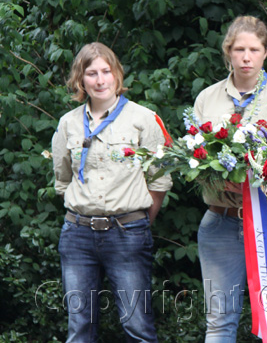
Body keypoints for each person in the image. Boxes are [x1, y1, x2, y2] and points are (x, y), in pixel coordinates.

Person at [52, 42, 172, 342]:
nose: (100, 80)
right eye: (91, 73)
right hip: (78, 235)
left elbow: (158, 180)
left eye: (106, 71)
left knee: (137, 326)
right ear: (81, 80)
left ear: (117, 75)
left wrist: (140, 220)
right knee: (80, 328)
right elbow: (63, 179)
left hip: (127, 232)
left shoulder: (143, 119)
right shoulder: (68, 124)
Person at [193, 16, 267, 343]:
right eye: (239, 49)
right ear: (228, 52)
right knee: (219, 321)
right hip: (221, 220)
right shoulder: (207, 99)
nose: (246, 57)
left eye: (254, 49)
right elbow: (196, 157)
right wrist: (221, 180)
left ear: (266, 52)